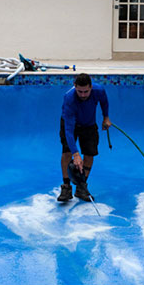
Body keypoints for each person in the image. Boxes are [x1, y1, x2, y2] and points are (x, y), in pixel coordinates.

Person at [57, 73, 112, 202]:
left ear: (91, 87)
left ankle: (82, 187)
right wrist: (75, 154)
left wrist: (106, 117)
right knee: (67, 152)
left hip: (88, 123)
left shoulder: (99, 91)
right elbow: (69, 130)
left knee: (89, 154)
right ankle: (66, 187)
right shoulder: (69, 99)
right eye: (79, 91)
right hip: (71, 124)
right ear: (74, 86)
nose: (82, 95)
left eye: (86, 91)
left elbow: (104, 102)